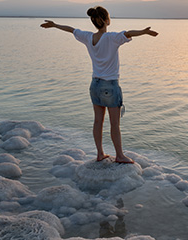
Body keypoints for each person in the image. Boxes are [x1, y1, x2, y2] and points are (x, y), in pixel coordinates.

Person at [40, 6, 158, 164]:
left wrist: (54, 25)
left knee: (98, 121)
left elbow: (71, 30)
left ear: (94, 22)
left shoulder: (88, 37)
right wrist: (143, 32)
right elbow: (128, 33)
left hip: (94, 85)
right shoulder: (112, 38)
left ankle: (100, 154)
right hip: (110, 86)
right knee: (114, 124)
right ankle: (120, 156)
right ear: (107, 20)